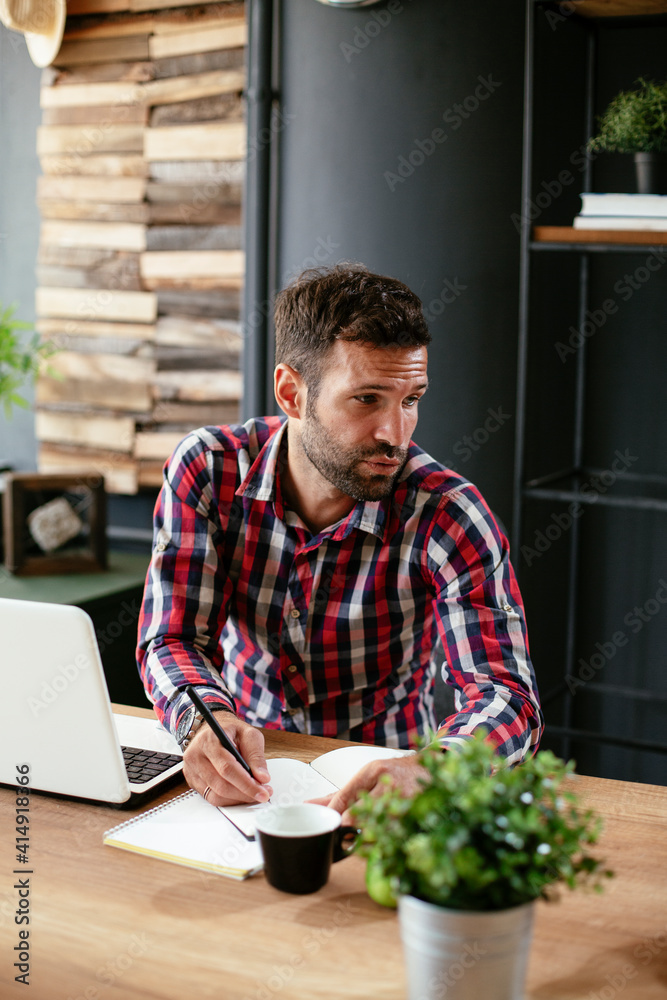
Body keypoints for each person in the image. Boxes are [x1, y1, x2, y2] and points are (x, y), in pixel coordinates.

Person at [137, 263, 542, 817]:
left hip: (391, 775)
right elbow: (173, 636)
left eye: (410, 399)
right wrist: (203, 720)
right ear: (291, 393)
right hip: (250, 767)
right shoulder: (208, 469)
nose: (395, 435)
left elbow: (507, 696)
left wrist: (434, 769)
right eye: (367, 399)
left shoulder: (448, 513)